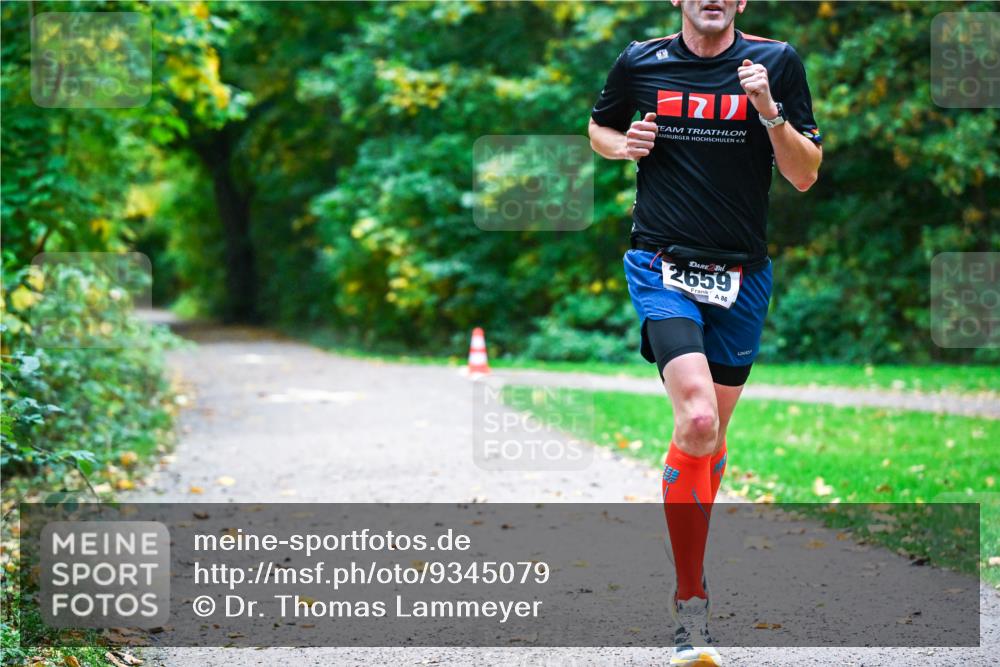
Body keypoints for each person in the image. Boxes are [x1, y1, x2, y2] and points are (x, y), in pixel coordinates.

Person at [588, 1, 822, 664]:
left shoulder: (775, 63)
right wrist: (621, 143)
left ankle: (689, 540)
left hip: (742, 277)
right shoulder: (642, 61)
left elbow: (804, 174)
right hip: (662, 263)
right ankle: (691, 605)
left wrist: (769, 110)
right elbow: (598, 129)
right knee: (695, 419)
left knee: (709, 434)